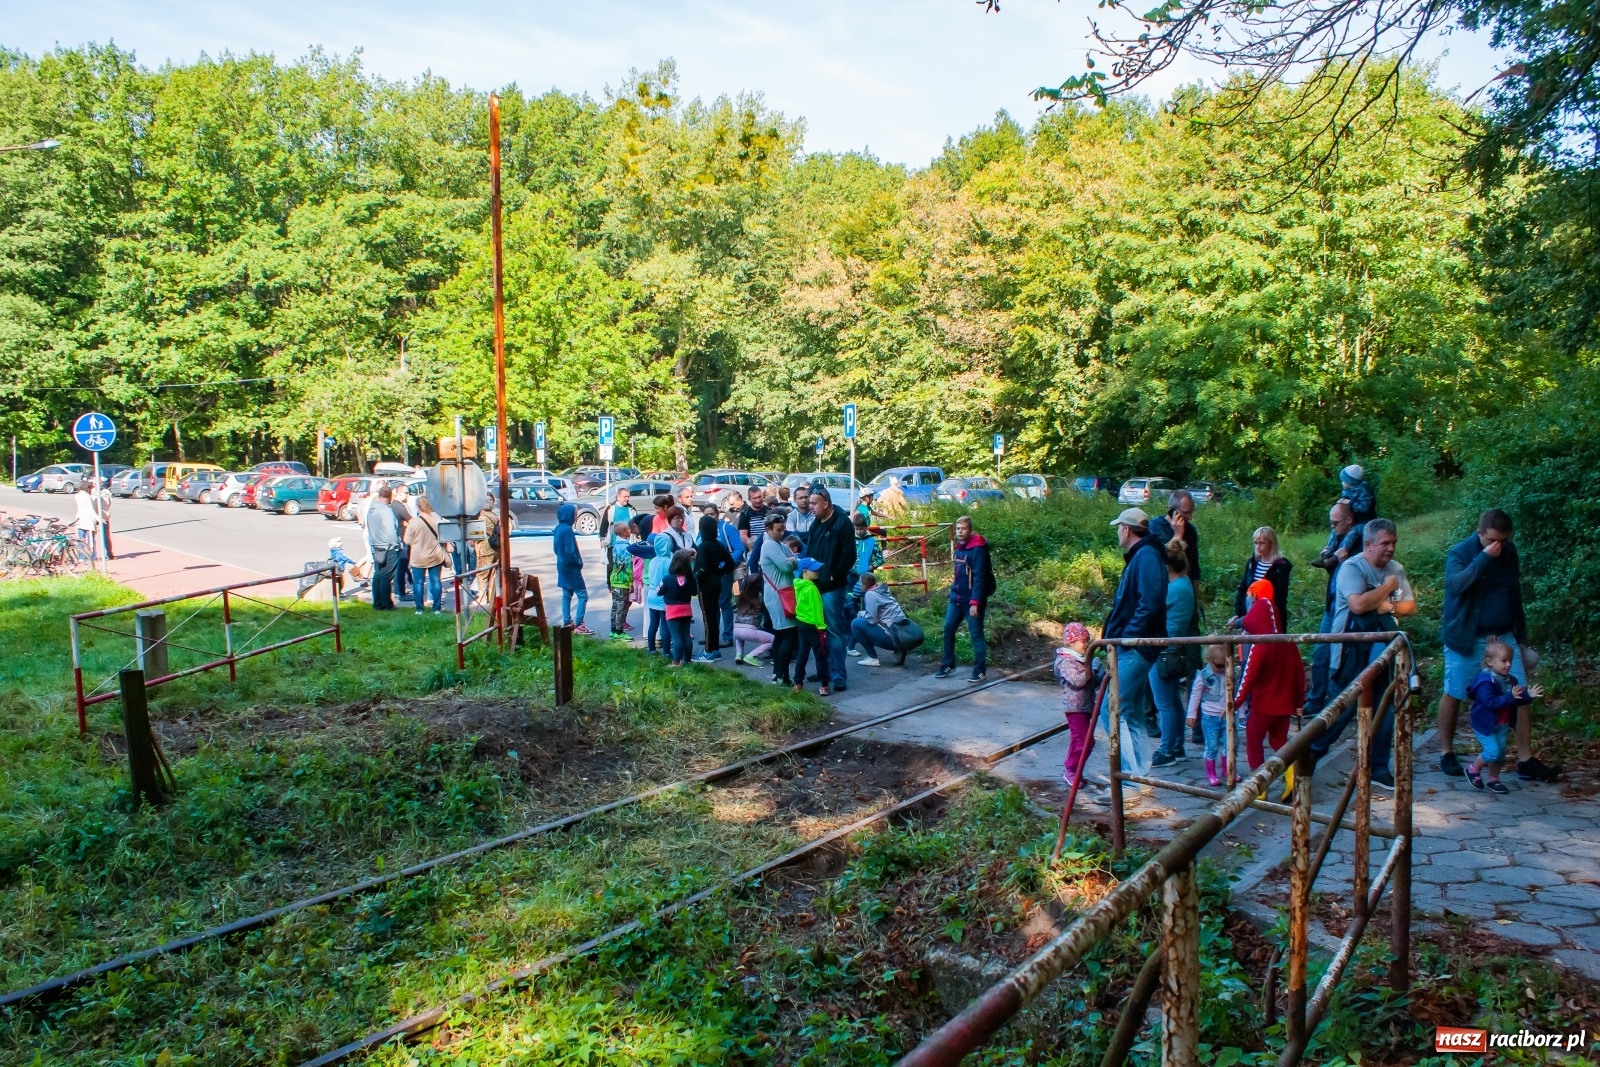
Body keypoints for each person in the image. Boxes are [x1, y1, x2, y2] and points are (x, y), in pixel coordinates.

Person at [1437, 509, 1559, 781]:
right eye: (1492, 539)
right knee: (1455, 691)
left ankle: (1525, 760)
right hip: (1467, 636)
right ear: (1479, 533)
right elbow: (1456, 586)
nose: (1498, 546)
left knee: (1520, 691)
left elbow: (1514, 593)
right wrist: (1483, 559)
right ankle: (1446, 752)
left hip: (1503, 635)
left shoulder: (1509, 552)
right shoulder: (1461, 553)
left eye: (1503, 540)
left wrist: (1521, 636)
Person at [1308, 518, 1416, 788]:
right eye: (1385, 543)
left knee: (1384, 708)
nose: (1391, 548)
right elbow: (1357, 605)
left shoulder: (1395, 568)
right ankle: (1308, 755)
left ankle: (1378, 767)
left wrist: (1385, 606)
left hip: (1383, 650)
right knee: (1341, 710)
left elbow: (1410, 606)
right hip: (1349, 651)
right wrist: (1389, 589)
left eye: (1394, 542)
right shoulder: (1351, 568)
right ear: (1368, 545)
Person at [1099, 508, 1169, 778]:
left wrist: (1128, 637)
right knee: (1133, 712)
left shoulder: (1147, 556)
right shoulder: (1144, 555)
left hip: (1135, 647)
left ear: (1127, 530)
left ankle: (1128, 780)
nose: (1118, 532)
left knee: (1111, 710)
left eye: (1119, 527)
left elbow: (1149, 602)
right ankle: (1138, 775)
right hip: (1135, 645)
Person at [1235, 592, 1304, 780]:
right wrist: (1299, 703)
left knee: (1254, 740)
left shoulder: (1261, 645)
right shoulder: (1288, 643)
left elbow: (1248, 677)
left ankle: (1258, 784)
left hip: (1262, 707)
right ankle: (1291, 777)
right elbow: (1299, 674)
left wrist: (1236, 702)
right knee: (1279, 740)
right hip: (1284, 707)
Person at [1305, 503, 1362, 714]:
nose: (1332, 526)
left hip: (1349, 610)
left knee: (1342, 658)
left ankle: (1338, 704)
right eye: (1330, 522)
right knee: (1320, 653)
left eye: (1335, 522)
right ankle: (1315, 701)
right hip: (1331, 605)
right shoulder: (1335, 540)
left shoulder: (1358, 544)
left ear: (1349, 521)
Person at [1465, 639, 1543, 793]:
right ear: (1490, 662)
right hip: (1485, 724)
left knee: (1500, 753)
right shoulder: (1485, 681)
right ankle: (1473, 769)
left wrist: (1529, 696)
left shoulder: (1510, 680)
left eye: (1510, 661)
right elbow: (1491, 702)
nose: (1508, 664)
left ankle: (1494, 779)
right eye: (1504, 661)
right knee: (1492, 752)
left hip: (1501, 723)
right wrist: (1511, 697)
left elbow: (1516, 700)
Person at [804, 486, 858, 692]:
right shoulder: (816, 523)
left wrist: (835, 574)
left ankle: (838, 675)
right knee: (818, 630)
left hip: (833, 587)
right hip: (814, 585)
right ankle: (823, 671)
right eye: (809, 503)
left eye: (814, 503)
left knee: (834, 630)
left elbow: (850, 555)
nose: (811, 507)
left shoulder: (842, 523)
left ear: (826, 503)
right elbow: (811, 549)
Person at [1150, 541, 1197, 768]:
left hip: (1163, 652)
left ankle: (1166, 749)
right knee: (1174, 701)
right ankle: (1177, 746)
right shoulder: (1184, 583)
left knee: (1165, 705)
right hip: (1175, 651)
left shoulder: (1173, 589)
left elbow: (1151, 609)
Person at [935, 515, 996, 681]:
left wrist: (975, 602)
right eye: (958, 529)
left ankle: (980, 670)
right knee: (948, 629)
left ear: (971, 530)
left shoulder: (978, 549)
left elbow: (979, 578)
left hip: (973, 601)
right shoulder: (960, 547)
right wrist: (953, 591)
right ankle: (948, 664)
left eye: (963, 529)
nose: (960, 532)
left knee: (976, 634)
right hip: (956, 599)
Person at [1054, 622, 1099, 790]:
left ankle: (1074, 769)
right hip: (1075, 708)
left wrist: (1099, 672)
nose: (1086, 645)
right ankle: (1071, 770)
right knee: (1085, 741)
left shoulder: (1081, 660)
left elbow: (1094, 682)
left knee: (1080, 740)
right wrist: (1092, 668)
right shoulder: (1065, 662)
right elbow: (1079, 680)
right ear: (1071, 642)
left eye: (1087, 641)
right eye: (1082, 641)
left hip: (1085, 706)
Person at [758, 514, 798, 685]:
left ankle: (779, 675)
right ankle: (782, 675)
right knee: (789, 636)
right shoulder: (769, 545)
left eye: (783, 529)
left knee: (781, 636)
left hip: (783, 593)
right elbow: (786, 566)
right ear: (768, 530)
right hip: (779, 596)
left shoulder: (779, 545)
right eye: (778, 530)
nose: (782, 533)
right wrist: (792, 560)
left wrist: (792, 560)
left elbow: (794, 558)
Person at [1186, 644, 1234, 787]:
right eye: (1219, 665)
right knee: (1211, 746)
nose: (1222, 669)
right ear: (1208, 660)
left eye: (1226, 664)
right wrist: (1191, 714)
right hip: (1209, 716)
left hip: (1227, 716)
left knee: (1230, 744)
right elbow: (1195, 695)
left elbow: (1237, 693)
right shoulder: (1202, 676)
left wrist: (1240, 710)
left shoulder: (1229, 673)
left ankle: (1228, 769)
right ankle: (1211, 773)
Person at [1231, 526, 1292, 629]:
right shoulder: (1252, 563)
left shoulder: (1281, 566)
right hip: (1248, 610)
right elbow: (1243, 588)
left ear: (1271, 544)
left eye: (1262, 543)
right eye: (1255, 543)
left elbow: (1280, 598)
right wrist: (1238, 613)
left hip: (1268, 613)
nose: (1258, 546)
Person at [694, 513, 734, 661]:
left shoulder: (703, 546)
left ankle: (709, 651)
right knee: (715, 616)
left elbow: (702, 568)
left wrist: (694, 578)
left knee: (707, 618)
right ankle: (715, 649)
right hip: (717, 582)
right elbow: (730, 563)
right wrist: (718, 571)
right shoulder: (718, 544)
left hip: (706, 585)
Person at [404, 495, 450, 613]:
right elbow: (445, 537)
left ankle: (419, 609)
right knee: (436, 581)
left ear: (418, 507)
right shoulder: (438, 521)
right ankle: (436, 608)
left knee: (418, 583)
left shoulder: (414, 522)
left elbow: (407, 541)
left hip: (418, 557)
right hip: (435, 555)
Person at [553, 503, 593, 635]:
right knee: (582, 595)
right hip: (571, 567)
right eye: (575, 515)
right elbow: (571, 551)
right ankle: (579, 624)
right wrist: (578, 562)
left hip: (561, 565)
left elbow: (555, 549)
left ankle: (567, 621)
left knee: (566, 594)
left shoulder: (558, 528)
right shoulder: (568, 530)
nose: (576, 517)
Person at [850, 572, 907, 666]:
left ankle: (872, 658)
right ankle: (899, 648)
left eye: (860, 583)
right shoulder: (882, 590)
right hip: (902, 633)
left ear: (864, 585)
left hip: (892, 636)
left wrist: (861, 614)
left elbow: (872, 620)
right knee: (864, 619)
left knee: (856, 623)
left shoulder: (870, 594)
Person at [792, 555, 829, 694]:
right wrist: (821, 628)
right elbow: (817, 610)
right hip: (813, 625)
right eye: (814, 569)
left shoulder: (798, 584)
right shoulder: (812, 588)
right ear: (805, 571)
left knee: (803, 652)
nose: (818, 571)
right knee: (821, 654)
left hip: (801, 621)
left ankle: (798, 683)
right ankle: (824, 685)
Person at [658, 549, 699, 666]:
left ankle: (676, 662)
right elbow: (695, 592)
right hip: (686, 609)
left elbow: (659, 592)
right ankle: (687, 660)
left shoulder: (667, 579)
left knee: (676, 637)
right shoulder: (691, 579)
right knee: (686, 635)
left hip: (672, 610)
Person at [713, 497, 744, 647]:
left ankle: (727, 636)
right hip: (709, 574)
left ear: (717, 514)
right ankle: (712, 636)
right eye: (706, 514)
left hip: (724, 572)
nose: (709, 517)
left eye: (712, 514)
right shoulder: (704, 531)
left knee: (724, 603)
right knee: (712, 605)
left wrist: (726, 563)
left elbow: (739, 548)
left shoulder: (726, 528)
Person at [366, 487, 403, 610]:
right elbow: (391, 531)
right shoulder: (386, 511)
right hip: (388, 547)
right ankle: (386, 604)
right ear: (390, 496)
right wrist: (396, 544)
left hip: (376, 546)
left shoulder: (372, 510)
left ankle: (377, 603)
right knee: (386, 577)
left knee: (378, 575)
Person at [643, 527, 674, 654]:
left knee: (653, 624)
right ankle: (666, 651)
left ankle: (651, 649)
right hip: (664, 596)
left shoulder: (653, 561)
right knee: (665, 625)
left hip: (652, 594)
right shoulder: (669, 561)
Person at [1166, 489, 1201, 593]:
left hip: (1185, 589)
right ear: (1172, 510)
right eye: (1186, 512)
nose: (1190, 517)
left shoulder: (1190, 530)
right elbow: (1164, 560)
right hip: (1167, 590)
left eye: (1191, 512)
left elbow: (1194, 567)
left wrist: (1195, 598)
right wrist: (1178, 535)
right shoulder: (1155, 528)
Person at [731, 580, 773, 665]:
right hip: (750, 630)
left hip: (736, 630)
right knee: (774, 640)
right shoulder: (760, 598)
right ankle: (751, 656)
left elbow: (735, 609)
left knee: (740, 635)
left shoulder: (742, 597)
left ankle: (738, 655)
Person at [389, 484, 414, 603]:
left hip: (399, 538)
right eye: (406, 492)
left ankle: (400, 590)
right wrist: (407, 523)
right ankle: (400, 592)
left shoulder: (393, 505)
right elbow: (412, 521)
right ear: (399, 493)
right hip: (402, 539)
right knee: (402, 566)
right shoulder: (399, 507)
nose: (407, 494)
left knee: (400, 566)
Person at [737, 487, 773, 555]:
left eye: (759, 497)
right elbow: (743, 536)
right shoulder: (745, 513)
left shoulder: (769, 511)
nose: (758, 500)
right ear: (749, 499)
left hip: (770, 547)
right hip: (754, 549)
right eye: (754, 498)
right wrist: (755, 546)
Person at [71, 485, 101, 562]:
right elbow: (91, 509)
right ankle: (92, 555)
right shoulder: (87, 497)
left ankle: (81, 556)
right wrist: (99, 519)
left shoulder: (77, 496)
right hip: (88, 520)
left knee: (80, 539)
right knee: (91, 540)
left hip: (80, 519)